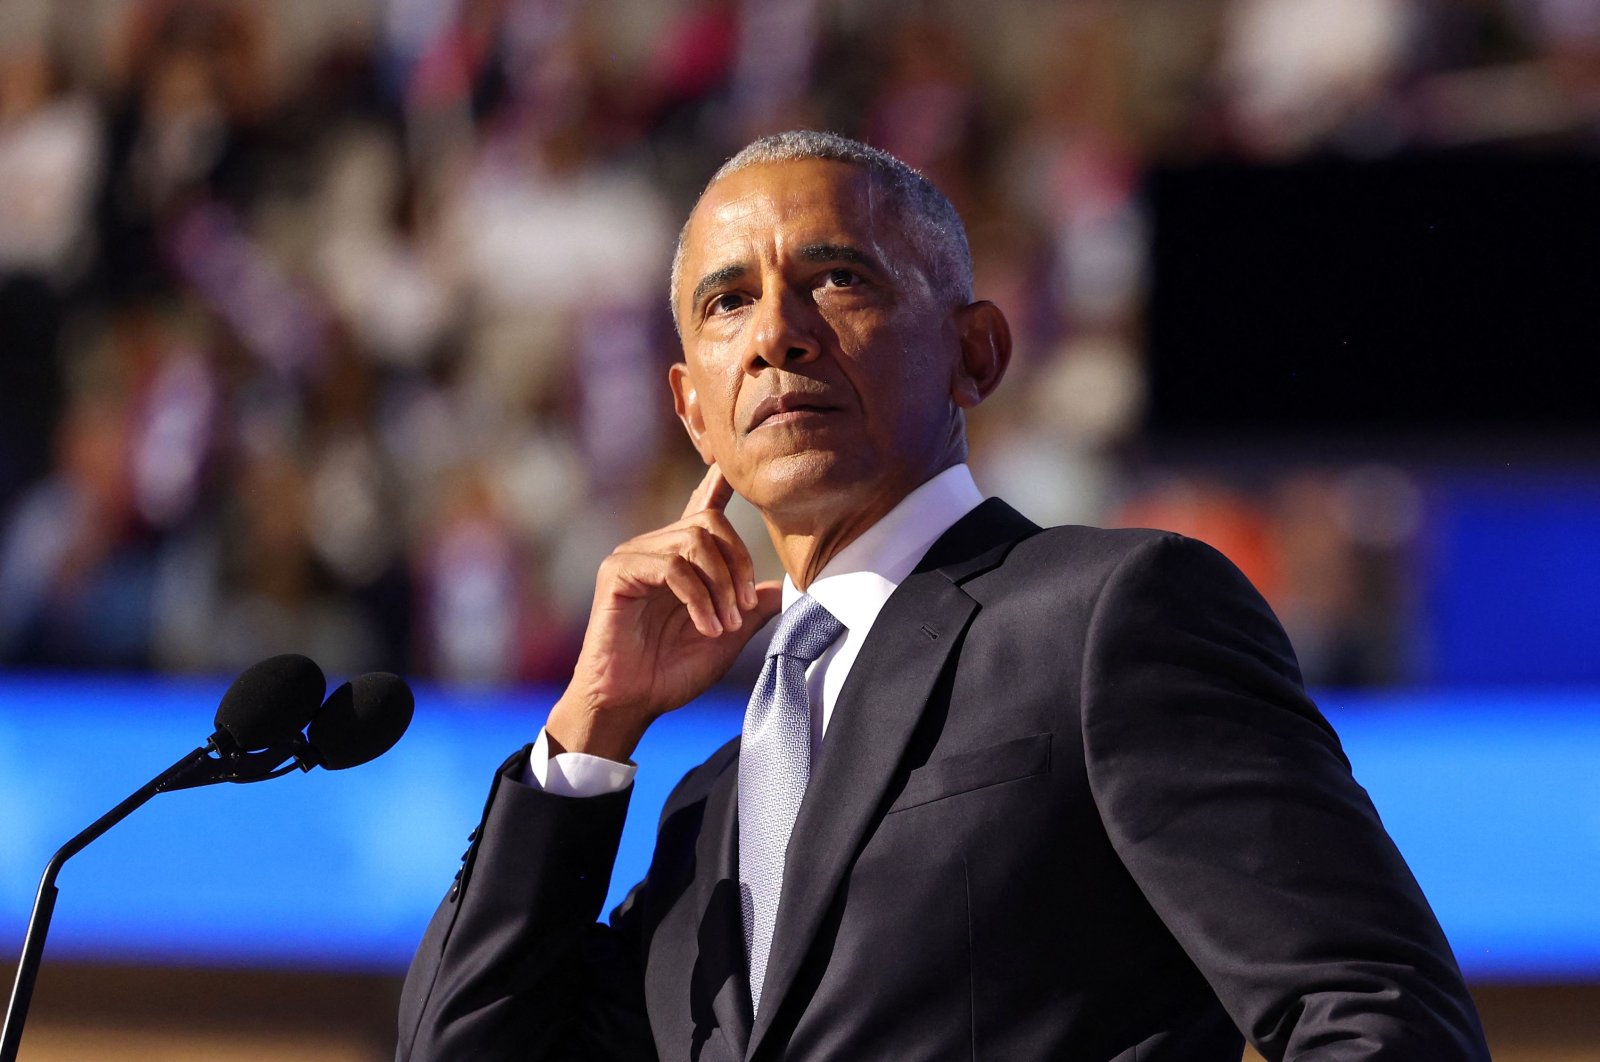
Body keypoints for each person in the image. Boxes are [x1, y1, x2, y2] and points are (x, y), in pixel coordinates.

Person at [397, 131, 1490, 1061]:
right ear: (693, 409)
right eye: (728, 301)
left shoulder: (1108, 616)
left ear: (976, 352)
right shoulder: (706, 814)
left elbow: (1379, 1016)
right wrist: (586, 735)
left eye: (837, 278)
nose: (777, 333)